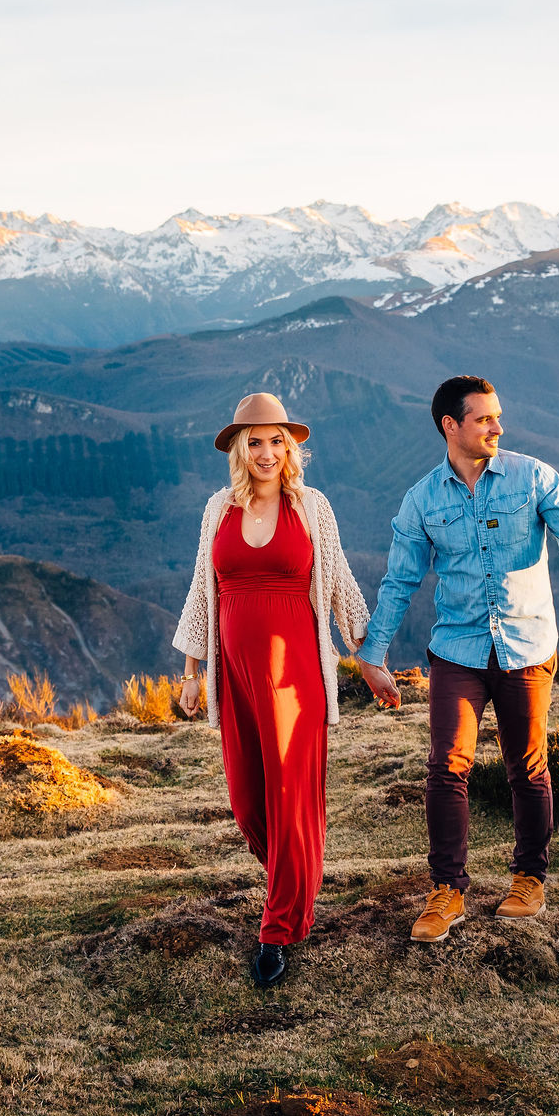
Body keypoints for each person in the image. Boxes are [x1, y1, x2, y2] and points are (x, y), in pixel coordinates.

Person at [354, 375, 559, 943]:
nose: (497, 427)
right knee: (446, 768)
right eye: (484, 418)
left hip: (526, 647)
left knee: (527, 768)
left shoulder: (533, 476)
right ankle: (447, 891)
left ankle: (529, 879)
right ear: (450, 426)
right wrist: (373, 652)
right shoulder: (422, 500)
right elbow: (399, 581)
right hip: (456, 650)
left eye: (498, 417)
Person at [173, 392, 370, 987]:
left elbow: (339, 585)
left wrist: (371, 650)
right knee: (247, 801)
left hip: (294, 679)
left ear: (292, 447)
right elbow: (203, 592)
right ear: (239, 448)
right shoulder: (217, 510)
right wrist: (190, 672)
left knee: (289, 799)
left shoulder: (312, 509)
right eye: (254, 441)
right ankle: (299, 879)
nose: (265, 452)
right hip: (233, 677)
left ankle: (278, 927)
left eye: (276, 440)